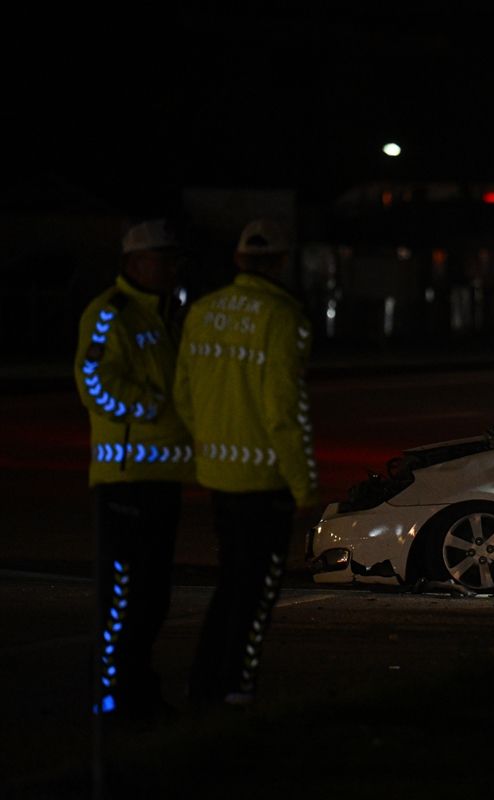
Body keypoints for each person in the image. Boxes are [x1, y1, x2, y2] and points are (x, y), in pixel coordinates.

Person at [173, 219, 319, 706]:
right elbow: (285, 411)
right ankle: (238, 685)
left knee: (230, 581)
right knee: (257, 592)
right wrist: (304, 486)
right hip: (266, 479)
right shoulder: (284, 317)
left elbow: (184, 395)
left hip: (219, 475)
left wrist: (210, 445)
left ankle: (205, 679)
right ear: (280, 261)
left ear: (238, 260)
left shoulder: (202, 311)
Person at [75, 218, 194, 720]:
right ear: (133, 263)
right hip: (125, 479)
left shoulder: (167, 315)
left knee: (151, 598)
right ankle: (114, 698)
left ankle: (136, 692)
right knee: (125, 599)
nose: (169, 267)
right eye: (159, 258)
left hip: (163, 479)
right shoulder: (111, 313)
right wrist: (147, 407)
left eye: (173, 259)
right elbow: (92, 378)